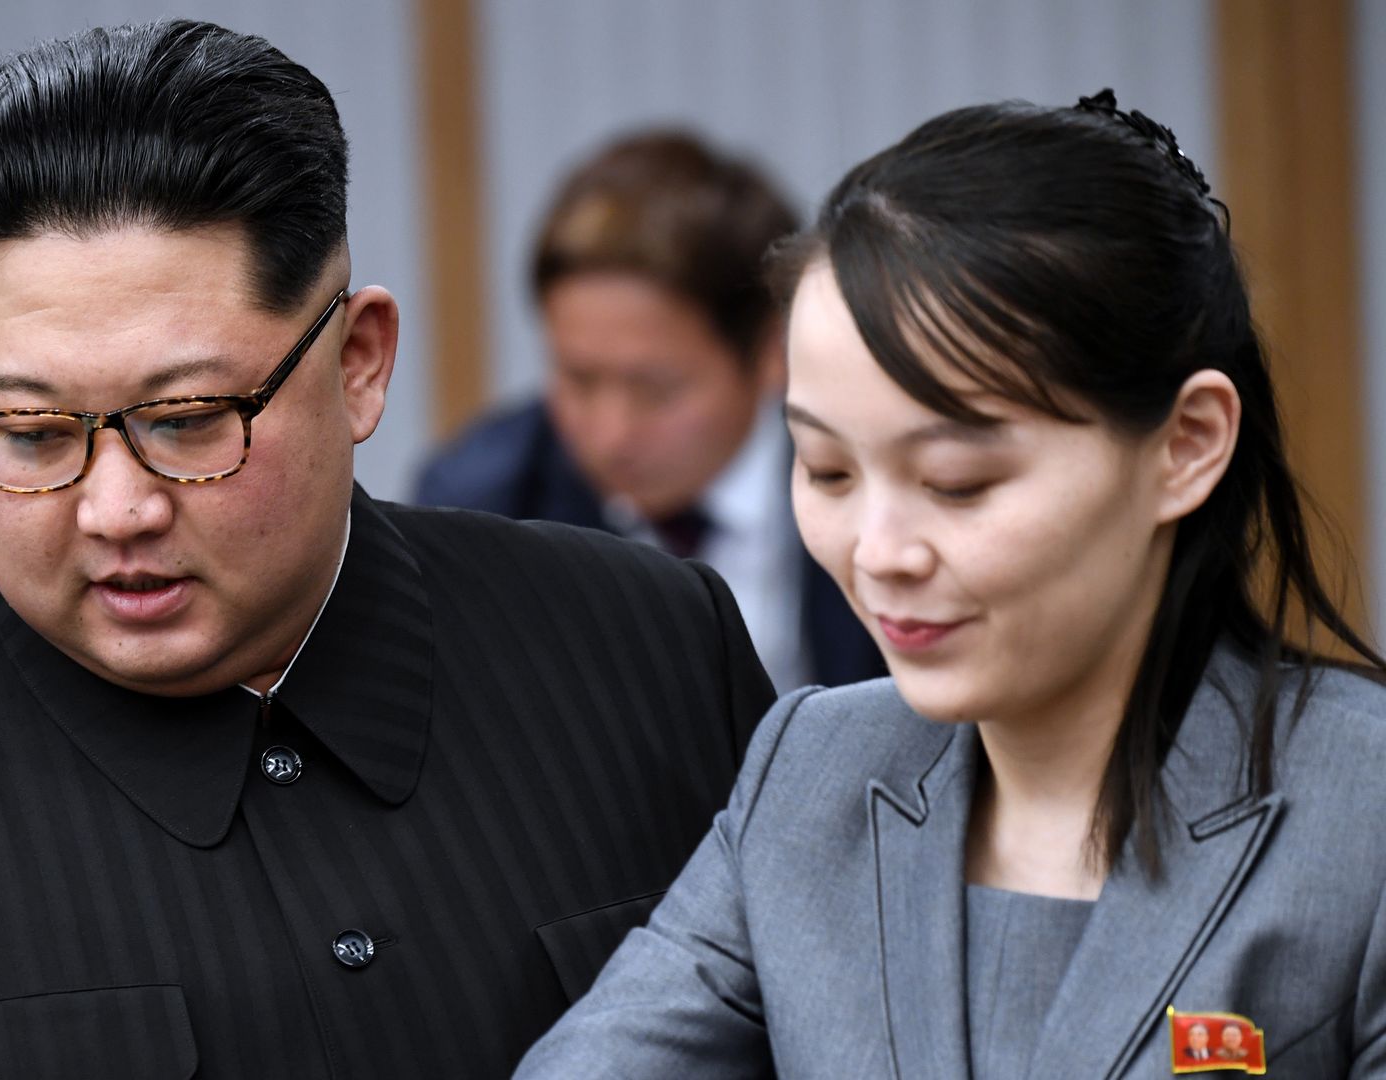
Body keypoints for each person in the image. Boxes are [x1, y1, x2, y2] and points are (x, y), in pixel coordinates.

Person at [0, 20, 776, 1080]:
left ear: (359, 363)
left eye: (186, 421)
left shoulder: (653, 651)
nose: (115, 509)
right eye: (30, 434)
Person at [517, 90, 1386, 1078]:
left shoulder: (1359, 809)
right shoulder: (813, 773)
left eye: (957, 482)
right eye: (828, 472)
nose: (879, 550)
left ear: (1186, 444)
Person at [415, 131, 882, 692]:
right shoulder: (483, 510)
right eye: (579, 380)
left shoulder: (879, 481)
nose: (610, 436)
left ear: (770, 352)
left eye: (656, 390)